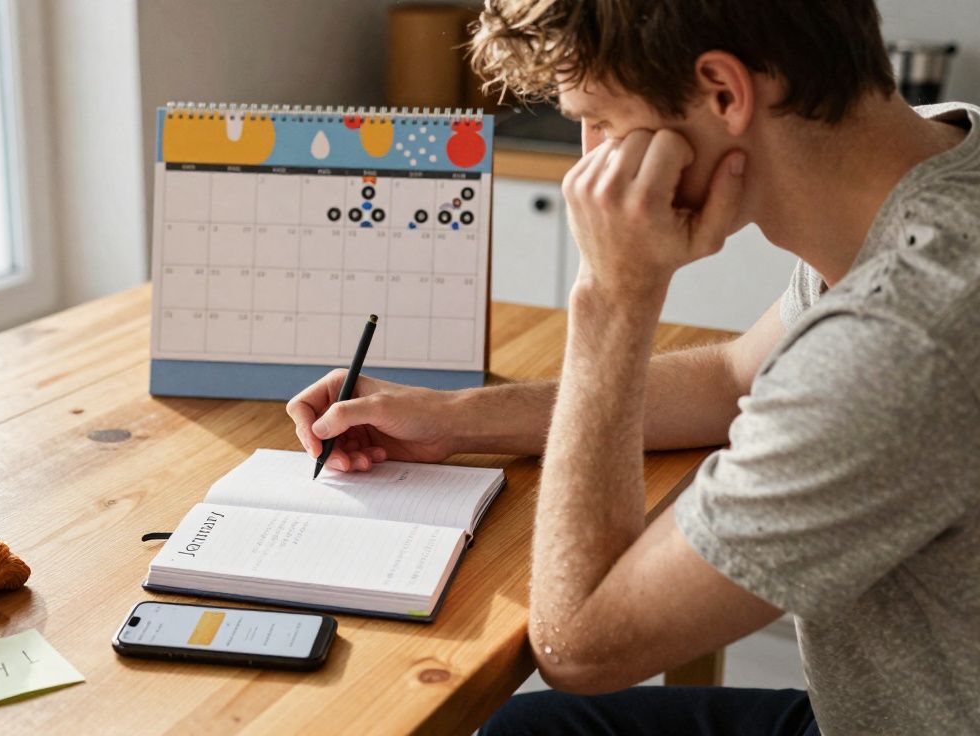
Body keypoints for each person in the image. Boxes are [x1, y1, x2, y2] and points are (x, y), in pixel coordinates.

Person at [285, 1, 980, 733]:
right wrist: (454, 419)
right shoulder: (930, 166)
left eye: (599, 121)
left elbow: (581, 646)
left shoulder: (904, 338)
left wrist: (611, 299)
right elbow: (733, 379)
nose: (586, 164)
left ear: (724, 92)